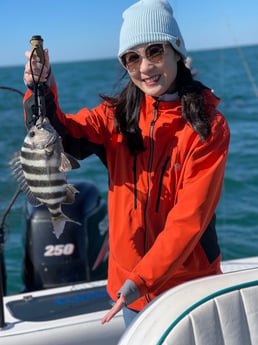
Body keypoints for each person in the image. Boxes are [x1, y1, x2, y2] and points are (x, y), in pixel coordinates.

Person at [23, 0, 230, 328]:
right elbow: (63, 136)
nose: (145, 66)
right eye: (132, 58)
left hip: (189, 291)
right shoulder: (114, 118)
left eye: (155, 51)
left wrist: (141, 279)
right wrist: (42, 91)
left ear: (177, 50)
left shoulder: (208, 126)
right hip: (128, 293)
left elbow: (189, 219)